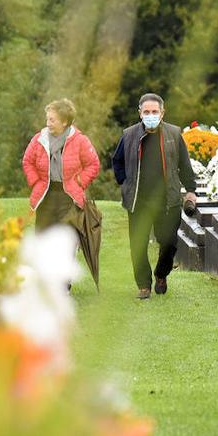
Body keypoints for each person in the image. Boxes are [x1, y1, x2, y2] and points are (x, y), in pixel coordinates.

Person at [111, 93, 197, 300]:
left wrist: (191, 189)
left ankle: (161, 274)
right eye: (146, 112)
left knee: (169, 242)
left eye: (154, 112)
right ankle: (143, 285)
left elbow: (184, 165)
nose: (151, 115)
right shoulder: (129, 135)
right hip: (139, 200)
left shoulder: (174, 134)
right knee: (138, 244)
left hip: (168, 200)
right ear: (140, 113)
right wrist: (125, 183)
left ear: (162, 113)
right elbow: (117, 161)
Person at [22, 99, 100, 236]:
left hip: (69, 197)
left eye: (52, 120)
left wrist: (80, 181)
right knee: (42, 239)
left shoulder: (80, 140)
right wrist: (35, 181)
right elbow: (27, 161)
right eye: (47, 119)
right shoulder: (39, 139)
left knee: (66, 240)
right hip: (46, 195)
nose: (48, 124)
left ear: (64, 122)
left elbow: (93, 164)